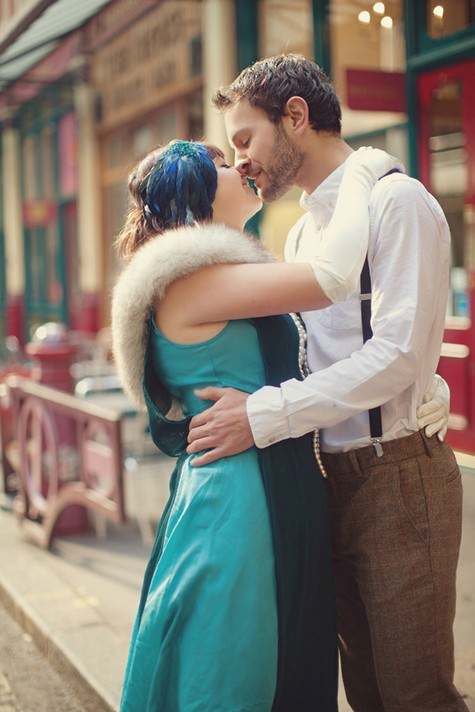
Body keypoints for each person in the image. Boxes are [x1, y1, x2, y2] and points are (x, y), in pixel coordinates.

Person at [111, 138, 440, 711]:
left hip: (257, 486)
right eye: (219, 161)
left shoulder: (216, 274)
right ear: (193, 192)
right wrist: (362, 169)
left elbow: (313, 351)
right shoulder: (191, 280)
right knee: (237, 673)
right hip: (238, 502)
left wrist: (419, 379)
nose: (237, 164)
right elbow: (334, 276)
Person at [185, 54, 465, 712]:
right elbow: (320, 354)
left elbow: (397, 351)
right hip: (325, 478)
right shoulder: (305, 231)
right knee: (364, 692)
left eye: (244, 139)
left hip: (397, 476)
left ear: (296, 117)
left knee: (413, 694)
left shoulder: (399, 201)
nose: (241, 160)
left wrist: (264, 414)